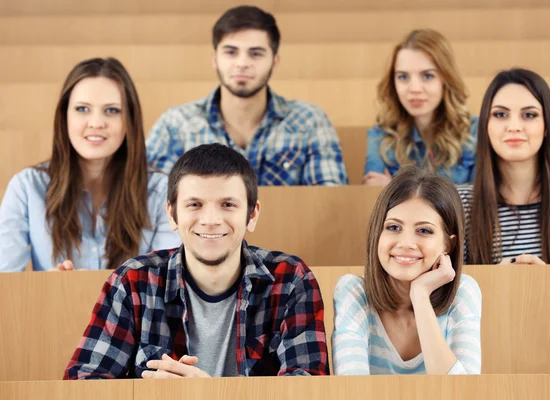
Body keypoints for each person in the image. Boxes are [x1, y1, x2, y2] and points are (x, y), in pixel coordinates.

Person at [64, 143, 329, 379]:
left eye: (227, 204)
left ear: (252, 214)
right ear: (171, 214)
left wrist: (208, 395)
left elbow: (305, 388)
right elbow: (83, 385)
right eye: (195, 205)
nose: (211, 219)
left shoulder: (291, 279)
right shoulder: (132, 282)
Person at [0, 57, 180, 272]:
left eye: (112, 110)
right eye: (82, 109)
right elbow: (5, 284)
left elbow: (167, 287)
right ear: (64, 116)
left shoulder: (161, 191)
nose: (95, 123)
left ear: (129, 120)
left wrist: (95, 289)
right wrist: (48, 289)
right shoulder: (27, 187)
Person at [145, 6, 348, 186]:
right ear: (214, 59)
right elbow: (152, 203)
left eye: (256, 53)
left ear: (274, 62)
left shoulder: (310, 121)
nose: (242, 63)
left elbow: (328, 202)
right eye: (231, 52)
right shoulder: (175, 124)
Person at [332, 166, 481, 375]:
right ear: (377, 233)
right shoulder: (354, 292)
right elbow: (350, 391)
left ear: (448, 244)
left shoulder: (462, 293)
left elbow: (464, 394)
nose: (406, 243)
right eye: (393, 227)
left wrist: (420, 295)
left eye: (424, 230)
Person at [459, 68, 550, 264]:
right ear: (485, 126)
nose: (514, 126)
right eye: (500, 114)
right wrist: (498, 284)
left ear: (546, 126)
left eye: (529, 115)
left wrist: (546, 283)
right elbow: (449, 290)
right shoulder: (460, 204)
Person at [363, 29, 478, 186]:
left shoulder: (474, 131)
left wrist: (398, 190)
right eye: (403, 77)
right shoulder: (379, 136)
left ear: (446, 79)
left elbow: (481, 200)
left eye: (427, 76)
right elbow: (376, 198)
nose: (414, 88)